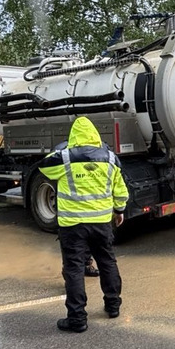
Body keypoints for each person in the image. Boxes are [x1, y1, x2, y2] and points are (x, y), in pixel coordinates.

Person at [38, 116, 129, 333]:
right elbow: (120, 190)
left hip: (73, 225)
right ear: (95, 135)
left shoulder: (64, 157)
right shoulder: (110, 159)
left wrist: (64, 148)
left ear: (73, 136)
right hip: (101, 223)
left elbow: (43, 166)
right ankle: (113, 306)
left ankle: (77, 318)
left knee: (74, 268)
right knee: (107, 262)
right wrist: (119, 211)